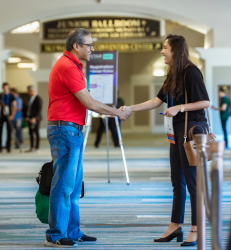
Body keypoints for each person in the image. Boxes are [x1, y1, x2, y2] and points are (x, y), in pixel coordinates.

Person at [45, 28, 131, 248]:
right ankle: (55, 235)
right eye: (89, 45)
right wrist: (118, 112)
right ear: (77, 46)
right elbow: (90, 103)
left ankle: (72, 231)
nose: (92, 49)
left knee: (73, 187)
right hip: (65, 131)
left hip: (72, 129)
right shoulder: (67, 67)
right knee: (63, 186)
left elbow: (88, 101)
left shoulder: (73, 66)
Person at [121, 34, 210, 247]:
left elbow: (205, 102)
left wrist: (179, 107)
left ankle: (196, 228)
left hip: (191, 133)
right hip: (176, 133)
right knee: (176, 182)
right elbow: (156, 101)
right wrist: (128, 109)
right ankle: (175, 225)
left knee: (192, 182)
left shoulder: (191, 72)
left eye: (165, 48)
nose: (162, 51)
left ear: (176, 51)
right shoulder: (172, 74)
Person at [0, 82, 16, 153]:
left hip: (9, 115)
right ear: (2, 88)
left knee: (9, 131)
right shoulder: (1, 95)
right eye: (4, 87)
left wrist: (12, 115)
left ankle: (8, 147)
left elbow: (14, 106)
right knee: (0, 131)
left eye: (6, 87)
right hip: (2, 115)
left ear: (8, 88)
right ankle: (0, 147)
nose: (5, 89)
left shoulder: (12, 96)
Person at [25, 86, 42, 152]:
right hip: (30, 118)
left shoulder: (38, 98)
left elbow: (39, 109)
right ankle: (32, 147)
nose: (28, 92)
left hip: (36, 119)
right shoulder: (30, 98)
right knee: (31, 133)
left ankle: (37, 147)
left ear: (32, 91)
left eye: (28, 91)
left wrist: (35, 117)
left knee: (36, 132)